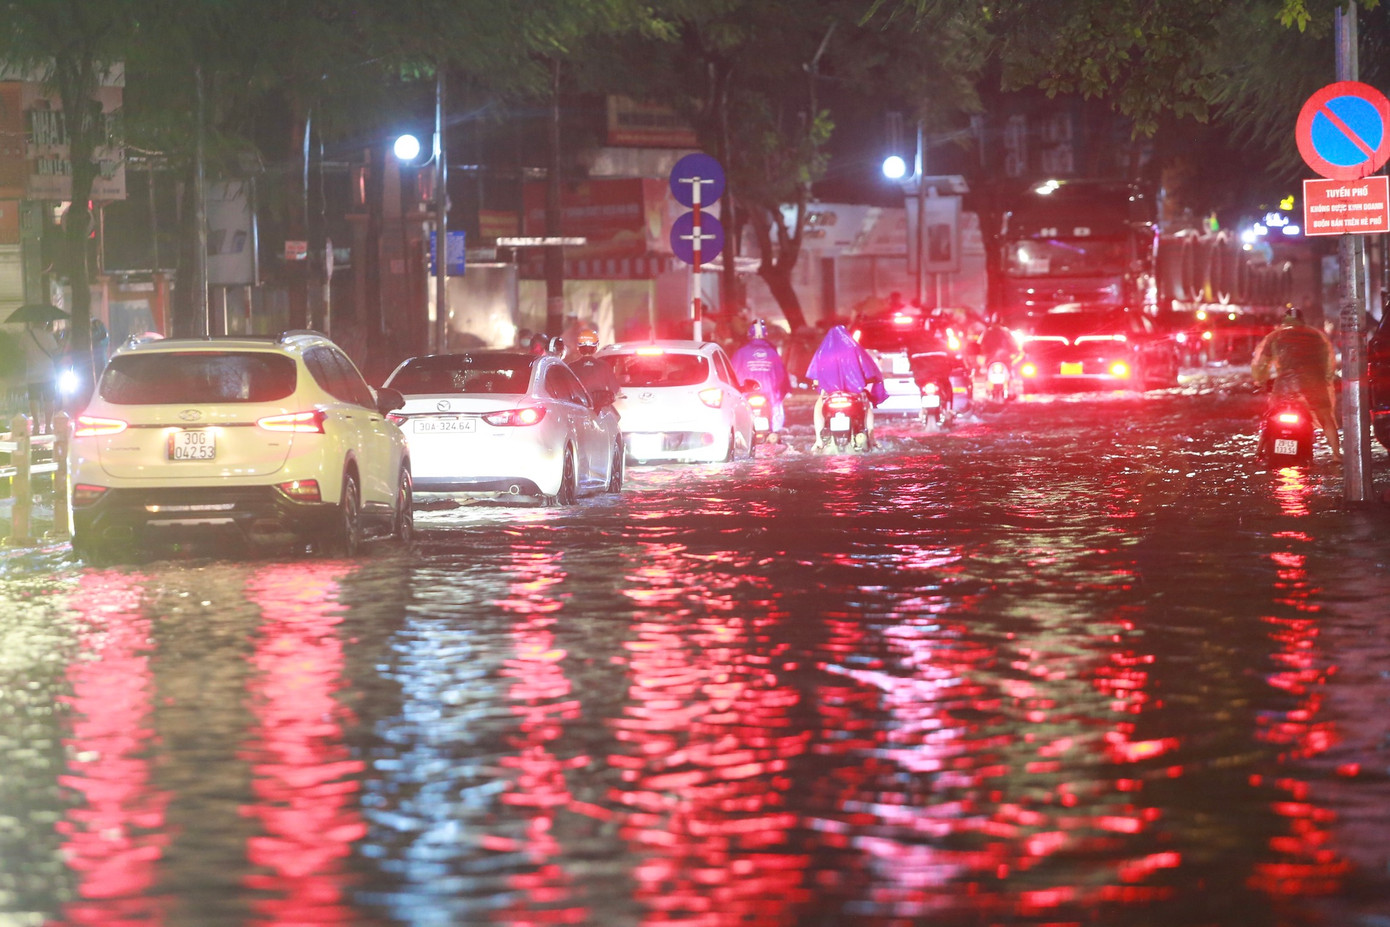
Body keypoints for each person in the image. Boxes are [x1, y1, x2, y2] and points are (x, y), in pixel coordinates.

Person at [1251, 306, 1341, 461]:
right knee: (1326, 417)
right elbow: (1328, 364)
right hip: (1314, 385)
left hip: (1285, 387)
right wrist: (1326, 379)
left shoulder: (1275, 337)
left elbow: (1262, 363)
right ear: (1302, 320)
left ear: (1284, 320)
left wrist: (1260, 380)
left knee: (1270, 415)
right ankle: (1336, 454)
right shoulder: (1316, 336)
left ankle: (1259, 451)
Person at [804, 324, 888, 449]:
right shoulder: (853, 347)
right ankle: (872, 438)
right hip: (853, 392)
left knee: (819, 404)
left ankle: (818, 440)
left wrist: (818, 383)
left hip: (830, 393)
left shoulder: (823, 351)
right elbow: (868, 369)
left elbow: (815, 375)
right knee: (866, 406)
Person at [730, 319, 791, 436]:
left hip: (747, 394)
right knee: (776, 417)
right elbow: (781, 374)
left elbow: (732, 373)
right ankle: (774, 432)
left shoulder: (741, 352)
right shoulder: (772, 352)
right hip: (769, 395)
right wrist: (785, 390)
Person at [568, 326, 621, 409]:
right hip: (600, 412)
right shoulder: (604, 366)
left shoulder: (570, 367)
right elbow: (615, 390)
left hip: (577, 410)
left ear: (579, 347)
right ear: (596, 346)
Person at [22, 319, 60, 433]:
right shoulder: (48, 336)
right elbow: (55, 351)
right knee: (49, 399)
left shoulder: (26, 336)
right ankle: (48, 426)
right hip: (48, 373)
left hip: (33, 373)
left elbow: (22, 351)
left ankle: (36, 426)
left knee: (33, 399)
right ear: (43, 322)